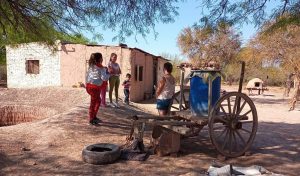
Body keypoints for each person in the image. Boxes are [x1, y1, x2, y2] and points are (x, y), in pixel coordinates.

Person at [86, 52, 110, 125]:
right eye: (101, 57)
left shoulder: (91, 66)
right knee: (93, 103)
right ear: (100, 59)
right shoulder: (101, 68)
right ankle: (91, 119)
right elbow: (104, 78)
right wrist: (108, 73)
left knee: (98, 101)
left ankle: (93, 116)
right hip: (95, 88)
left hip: (89, 86)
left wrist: (104, 69)